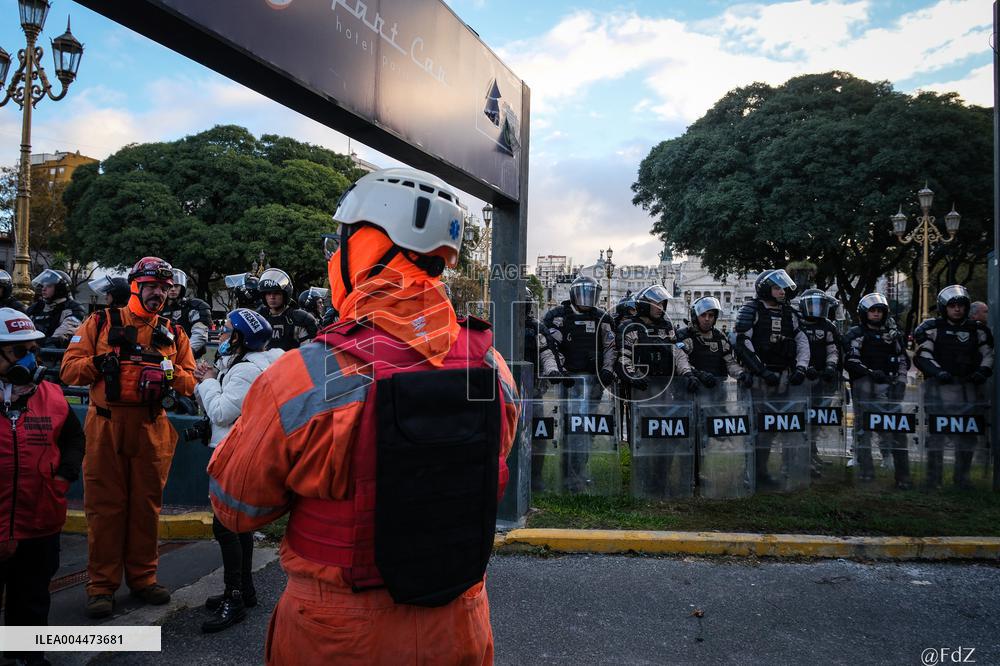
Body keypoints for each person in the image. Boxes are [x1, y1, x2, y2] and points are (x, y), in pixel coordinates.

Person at [207, 167, 519, 664]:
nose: (335, 255)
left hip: (337, 635)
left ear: (370, 247)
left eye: (342, 241)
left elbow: (235, 507)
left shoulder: (304, 375)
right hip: (461, 625)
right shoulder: (492, 365)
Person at [60, 257, 196, 618]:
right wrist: (98, 364)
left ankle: (143, 579)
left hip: (152, 428)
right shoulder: (100, 322)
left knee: (145, 509)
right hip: (105, 427)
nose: (158, 294)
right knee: (105, 509)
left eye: (164, 288)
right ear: (135, 286)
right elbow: (68, 370)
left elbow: (190, 381)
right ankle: (101, 587)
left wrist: (167, 373)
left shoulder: (174, 332)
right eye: (151, 286)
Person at [0, 310, 84, 666]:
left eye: (33, 350)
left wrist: (62, 479)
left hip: (39, 521)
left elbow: (74, 440)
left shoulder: (51, 395)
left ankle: (27, 657)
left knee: (32, 599)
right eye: (19, 351)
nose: (31, 359)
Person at [194, 308, 282, 633]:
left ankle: (235, 598)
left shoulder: (246, 370)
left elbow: (220, 412)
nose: (221, 333)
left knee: (226, 527)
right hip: (241, 452)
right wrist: (211, 377)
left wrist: (207, 383)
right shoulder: (248, 363)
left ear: (240, 338)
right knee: (237, 525)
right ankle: (245, 590)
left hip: (234, 454)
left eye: (227, 329)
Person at [733, 269, 809, 488]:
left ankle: (764, 472)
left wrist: (801, 368)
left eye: (783, 288)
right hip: (758, 379)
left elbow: (802, 341)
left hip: (783, 377)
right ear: (766, 289)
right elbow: (742, 342)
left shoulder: (790, 314)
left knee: (773, 427)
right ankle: (751, 473)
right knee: (755, 427)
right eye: (777, 288)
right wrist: (760, 370)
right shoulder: (752, 310)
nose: (782, 292)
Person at [540, 275, 617, 491]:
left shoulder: (602, 318)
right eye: (584, 292)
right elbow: (551, 347)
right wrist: (560, 370)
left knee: (587, 429)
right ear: (574, 294)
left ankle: (579, 472)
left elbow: (610, 347)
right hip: (569, 382)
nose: (587, 298)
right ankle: (569, 477)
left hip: (594, 382)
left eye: (591, 293)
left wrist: (606, 368)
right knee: (571, 429)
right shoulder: (558, 316)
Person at [913, 285, 994, 489]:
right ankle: (933, 479)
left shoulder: (978, 330)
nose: (957, 309)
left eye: (961, 305)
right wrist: (938, 372)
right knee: (936, 437)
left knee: (967, 437)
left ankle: (962, 479)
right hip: (939, 390)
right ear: (944, 307)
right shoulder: (932, 328)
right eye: (952, 306)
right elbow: (923, 355)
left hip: (969, 391)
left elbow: (988, 355)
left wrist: (982, 371)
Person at [618, 284, 695, 496]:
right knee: (643, 437)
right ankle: (643, 479)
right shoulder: (631, 328)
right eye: (655, 303)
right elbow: (624, 357)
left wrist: (688, 373)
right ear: (644, 305)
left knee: (666, 436)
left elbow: (678, 354)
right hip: (641, 392)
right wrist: (632, 376)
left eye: (662, 303)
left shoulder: (666, 327)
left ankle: (661, 478)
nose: (660, 307)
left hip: (666, 389)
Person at [843, 293, 911, 488]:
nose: (876, 314)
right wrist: (870, 373)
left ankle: (902, 475)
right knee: (863, 431)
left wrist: (901, 382)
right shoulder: (856, 334)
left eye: (880, 311)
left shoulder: (893, 335)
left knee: (898, 431)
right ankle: (865, 472)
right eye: (872, 310)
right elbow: (851, 360)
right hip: (865, 391)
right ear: (864, 313)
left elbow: (903, 359)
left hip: (890, 389)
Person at [797, 288, 842, 477]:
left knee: (816, 419)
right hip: (801, 379)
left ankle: (812, 453)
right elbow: (793, 350)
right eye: (812, 305)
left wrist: (831, 367)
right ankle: (801, 457)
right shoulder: (797, 323)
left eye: (819, 305)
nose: (815, 309)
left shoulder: (828, 326)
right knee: (801, 420)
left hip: (822, 378)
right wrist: (803, 369)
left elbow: (833, 350)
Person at [675, 296, 745, 386]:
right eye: (703, 315)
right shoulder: (685, 336)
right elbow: (682, 362)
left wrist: (741, 374)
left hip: (717, 389)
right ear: (695, 316)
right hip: (693, 387)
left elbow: (730, 363)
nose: (707, 319)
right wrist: (695, 375)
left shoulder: (720, 337)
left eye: (711, 315)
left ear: (715, 318)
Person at [255, 268, 318, 350]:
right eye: (268, 293)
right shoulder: (258, 318)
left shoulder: (298, 319)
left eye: (277, 293)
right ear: (264, 296)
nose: (272, 297)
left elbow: (308, 351)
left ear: (285, 295)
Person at [27, 269, 85, 347]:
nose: (43, 289)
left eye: (49, 286)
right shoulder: (36, 307)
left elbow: (60, 338)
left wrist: (38, 345)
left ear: (60, 289)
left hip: (54, 352)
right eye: (43, 285)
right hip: (31, 349)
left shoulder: (73, 308)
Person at [163, 269, 212, 360]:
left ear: (182, 287)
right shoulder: (158, 308)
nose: (173, 289)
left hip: (190, 358)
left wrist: (186, 353)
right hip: (163, 357)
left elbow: (200, 334)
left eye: (176, 286)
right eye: (170, 286)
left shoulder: (192, 307)